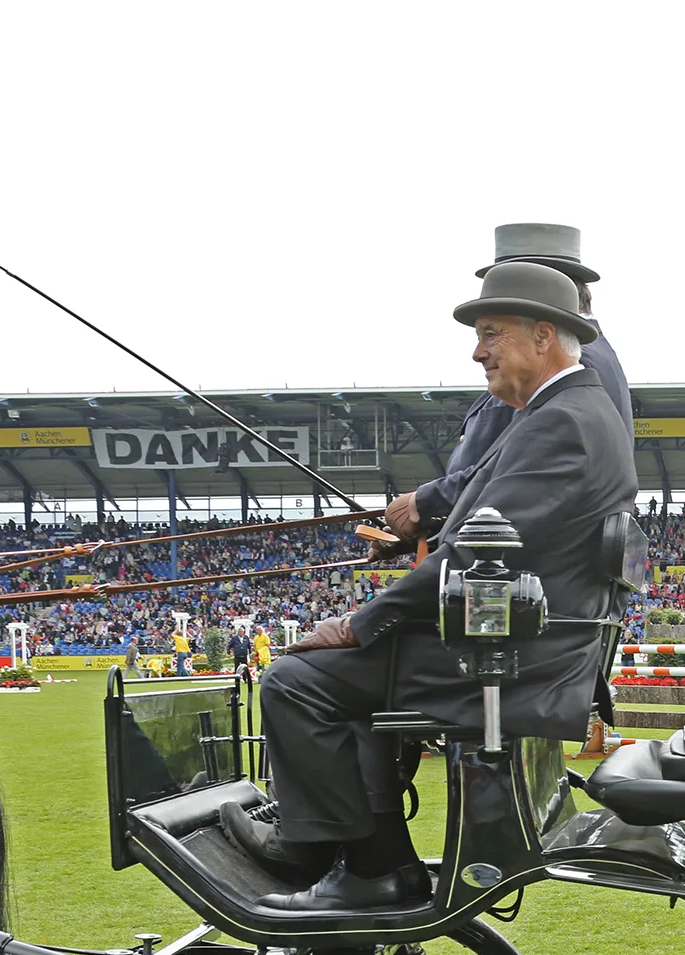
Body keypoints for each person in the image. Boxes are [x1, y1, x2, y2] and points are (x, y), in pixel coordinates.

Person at [223, 261, 638, 910]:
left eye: (491, 333)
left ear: (543, 336)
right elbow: (478, 543)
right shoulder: (562, 411)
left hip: (513, 659)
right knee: (340, 680)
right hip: (522, 644)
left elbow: (474, 555)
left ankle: (361, 867)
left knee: (295, 682)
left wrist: (361, 622)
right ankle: (356, 852)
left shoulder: (562, 420)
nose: (477, 351)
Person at [382, 223, 631, 546]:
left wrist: (426, 503)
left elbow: (518, 473)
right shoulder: (593, 356)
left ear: (540, 289)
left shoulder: (570, 363)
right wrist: (433, 531)